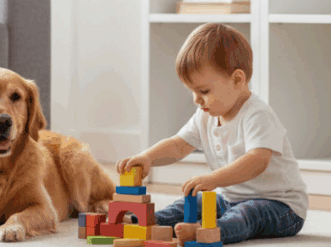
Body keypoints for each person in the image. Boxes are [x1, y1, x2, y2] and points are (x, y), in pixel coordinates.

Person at [116, 23, 307, 244]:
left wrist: (213, 179)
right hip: (231, 199)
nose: (196, 99)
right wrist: (147, 156)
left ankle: (206, 232)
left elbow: (257, 161)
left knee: (246, 215)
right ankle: (152, 223)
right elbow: (178, 145)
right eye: (193, 91)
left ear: (237, 80)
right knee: (190, 203)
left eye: (204, 91)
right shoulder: (205, 115)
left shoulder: (258, 115)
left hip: (280, 206)